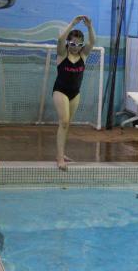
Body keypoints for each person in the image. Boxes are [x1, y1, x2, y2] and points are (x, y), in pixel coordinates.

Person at [52, 15, 95, 171]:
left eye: (78, 44)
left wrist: (89, 27)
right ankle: (59, 158)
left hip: (75, 93)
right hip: (60, 91)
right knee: (63, 122)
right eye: (72, 43)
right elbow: (60, 39)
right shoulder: (62, 54)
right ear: (68, 43)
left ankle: (61, 154)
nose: (75, 47)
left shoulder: (83, 55)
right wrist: (72, 24)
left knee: (67, 124)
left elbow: (93, 42)